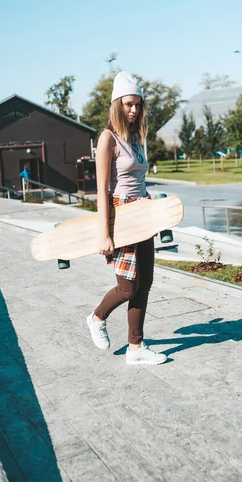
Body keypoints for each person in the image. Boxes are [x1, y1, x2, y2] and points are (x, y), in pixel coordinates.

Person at [86, 71, 167, 365]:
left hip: (142, 213)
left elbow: (140, 183)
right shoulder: (107, 139)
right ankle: (97, 317)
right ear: (117, 104)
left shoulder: (135, 138)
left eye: (138, 105)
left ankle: (136, 347)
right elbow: (102, 190)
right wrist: (103, 232)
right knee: (127, 286)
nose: (133, 110)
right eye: (128, 104)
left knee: (145, 283)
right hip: (122, 215)